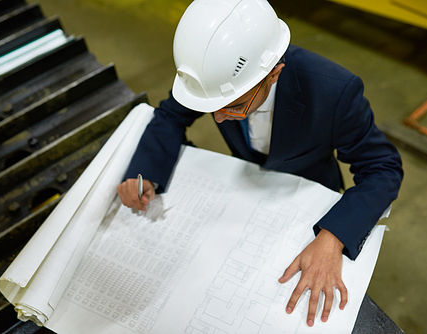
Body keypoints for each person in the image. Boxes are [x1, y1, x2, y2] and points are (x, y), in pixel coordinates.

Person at [117, 0, 403, 327]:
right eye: (213, 107)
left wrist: (333, 236)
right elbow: (170, 114)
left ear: (274, 73)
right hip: (249, 198)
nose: (220, 117)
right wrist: (146, 172)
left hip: (309, 197)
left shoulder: (334, 92)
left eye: (235, 106)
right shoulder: (213, 74)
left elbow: (383, 168)